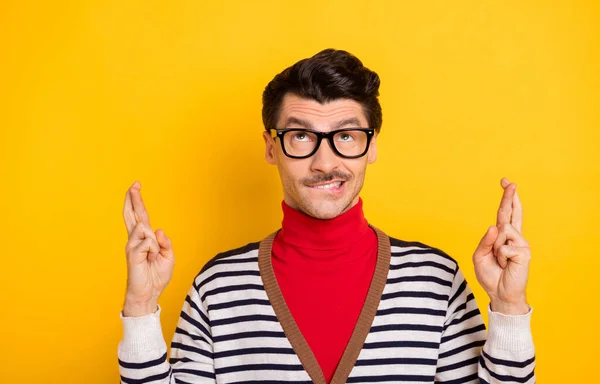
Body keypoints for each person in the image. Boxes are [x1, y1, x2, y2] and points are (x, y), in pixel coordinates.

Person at [118, 49, 535, 383]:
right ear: (270, 146)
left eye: (346, 137)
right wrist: (140, 306)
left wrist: (509, 304)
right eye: (300, 136)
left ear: (371, 146)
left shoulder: (436, 280)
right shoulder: (218, 288)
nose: (324, 161)